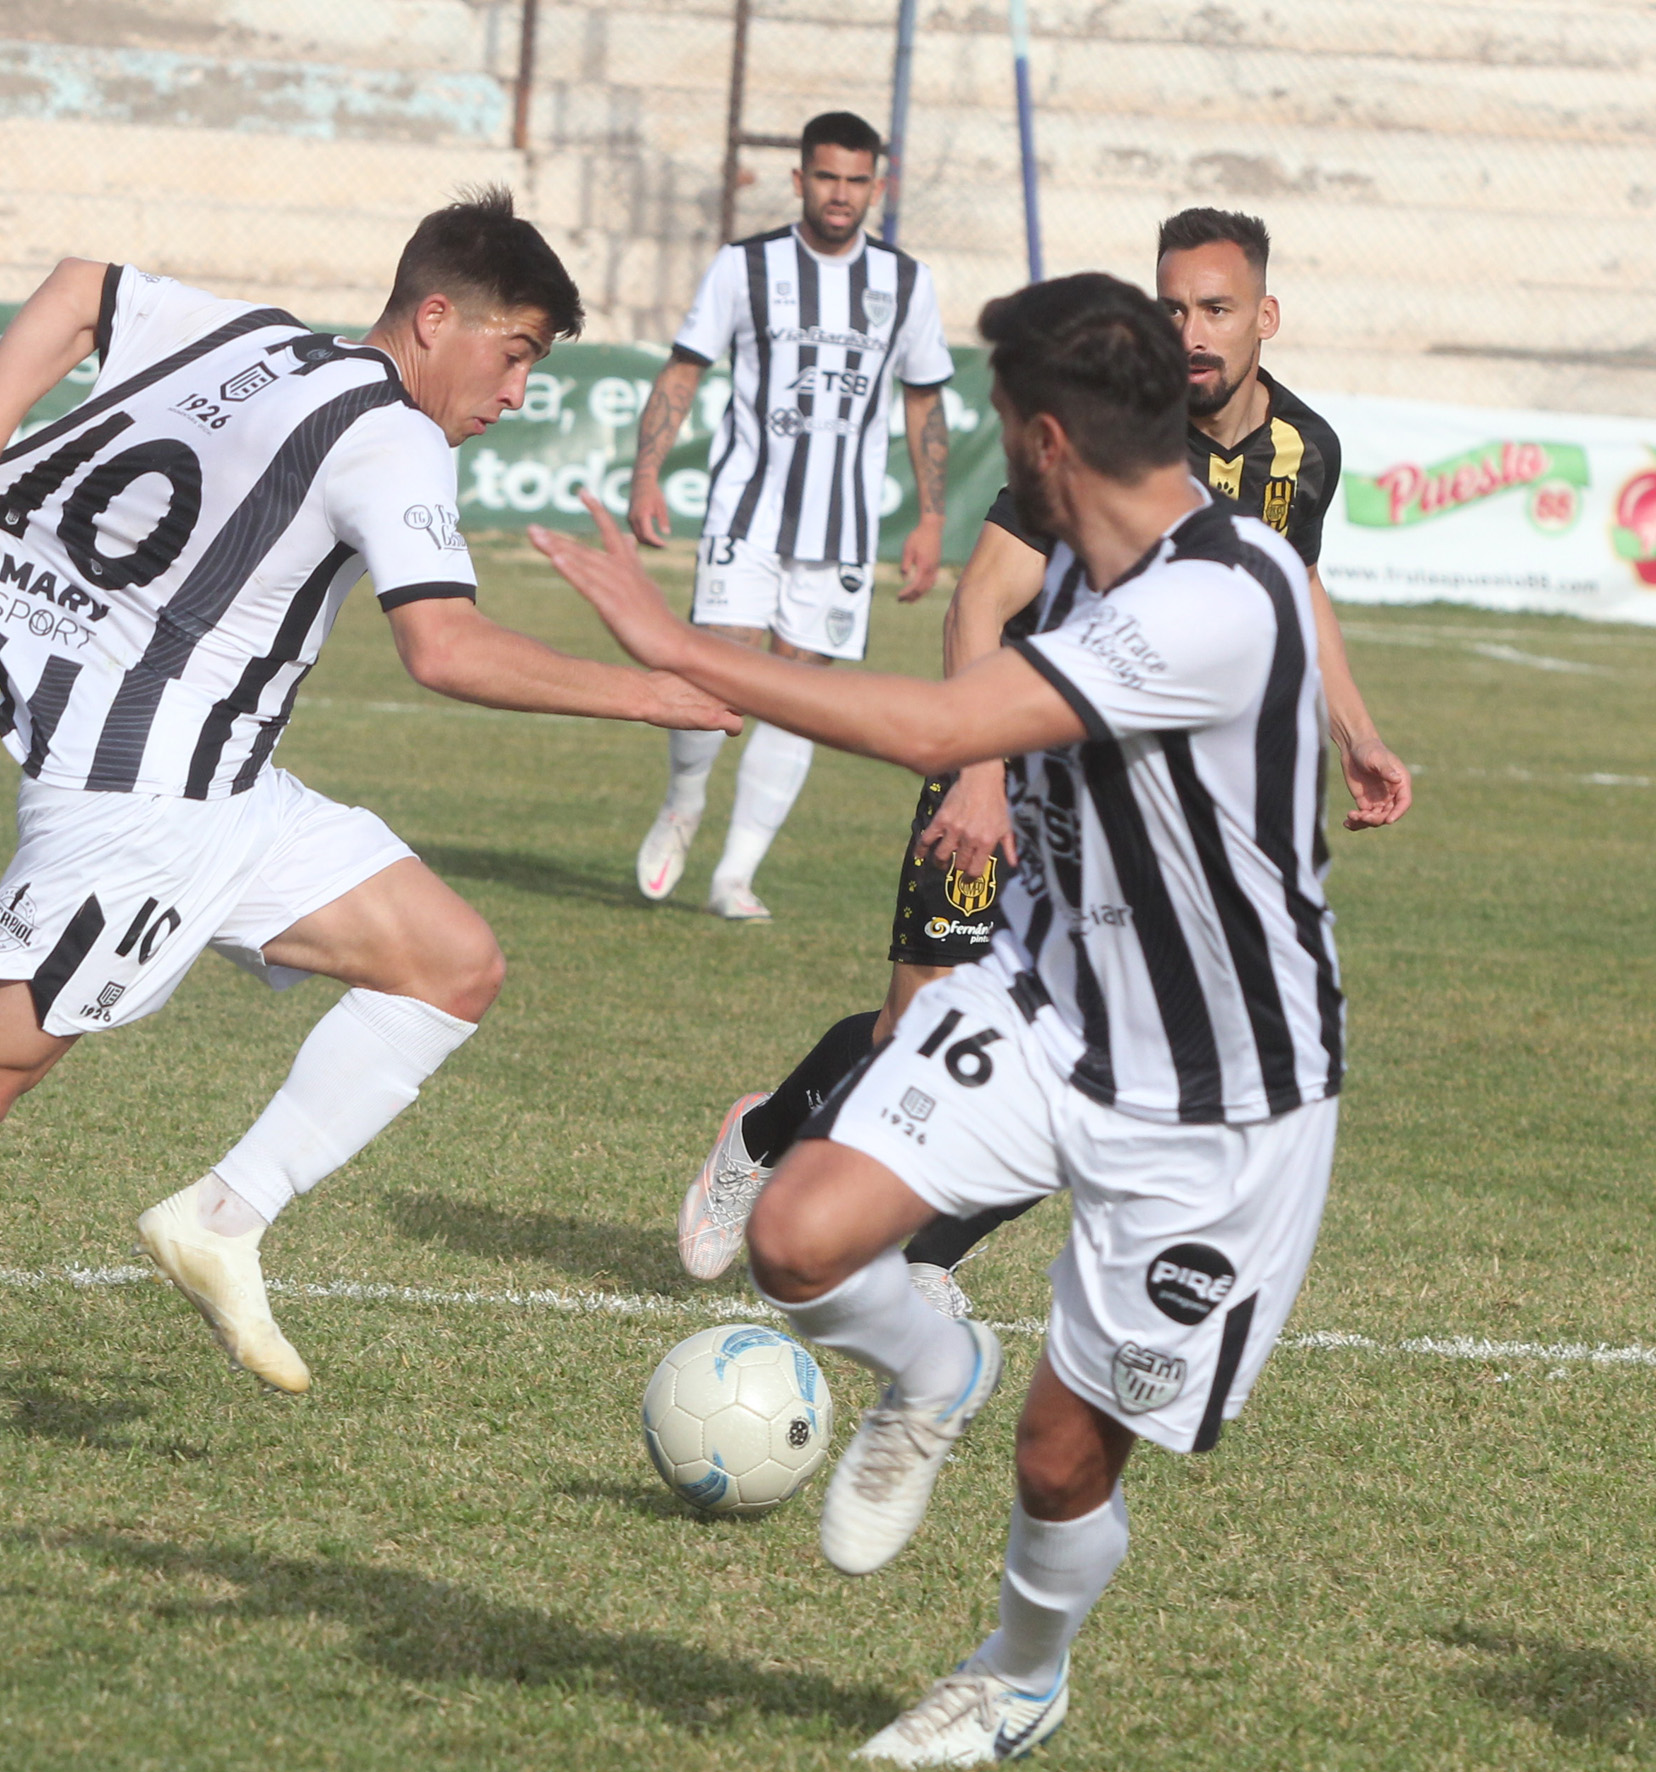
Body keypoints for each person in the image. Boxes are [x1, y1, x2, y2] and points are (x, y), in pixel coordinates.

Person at [0, 192, 739, 1458]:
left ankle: (222, 1219)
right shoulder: (394, 439)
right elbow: (444, 646)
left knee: (448, 960)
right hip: (139, 806)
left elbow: (83, 282)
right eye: (513, 352)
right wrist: (645, 685)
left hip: (230, 791)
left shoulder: (260, 339)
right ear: (433, 317)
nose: (515, 389)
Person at [536, 270, 1348, 1763]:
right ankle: (933, 1365)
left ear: (1042, 441)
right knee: (792, 1234)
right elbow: (994, 673)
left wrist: (679, 645)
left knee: (1059, 1458)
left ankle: (1020, 1673)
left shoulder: (1211, 597)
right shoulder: (1102, 561)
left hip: (1216, 1099)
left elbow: (930, 724)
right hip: (1046, 1004)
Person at [676, 206, 1412, 1317]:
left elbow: (1290, 583)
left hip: (1147, 797)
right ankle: (765, 1131)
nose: (1191, 330)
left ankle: (928, 1258)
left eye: (1214, 308)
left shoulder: (1305, 450)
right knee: (914, 1021)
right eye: (1171, 307)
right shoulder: (1099, 421)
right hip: (1007, 749)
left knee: (1108, 1044)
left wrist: (1354, 729)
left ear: (1265, 315)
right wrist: (976, 768)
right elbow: (980, 602)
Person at [624, 111, 955, 921]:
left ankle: (735, 875)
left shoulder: (905, 284)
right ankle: (683, 800)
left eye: (855, 180)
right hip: (746, 506)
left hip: (841, 526)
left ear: (876, 187)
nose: (839, 195)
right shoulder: (744, 267)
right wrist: (647, 472)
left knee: (798, 691)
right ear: (799, 179)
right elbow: (682, 372)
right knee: (716, 668)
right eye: (825, 177)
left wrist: (930, 518)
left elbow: (923, 403)